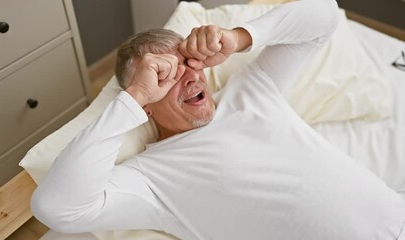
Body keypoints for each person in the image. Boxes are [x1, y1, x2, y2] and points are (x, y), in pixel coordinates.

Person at [31, 0, 405, 239]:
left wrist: (239, 37)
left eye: (187, 63)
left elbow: (322, 13)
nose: (190, 76)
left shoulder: (251, 91)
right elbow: (56, 208)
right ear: (145, 106)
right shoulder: (149, 180)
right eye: (165, 77)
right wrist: (132, 98)